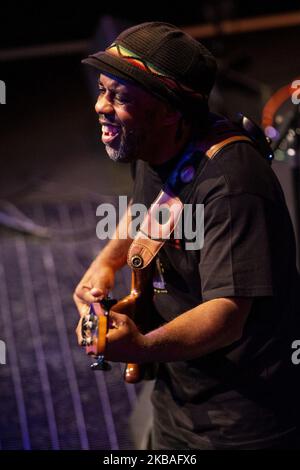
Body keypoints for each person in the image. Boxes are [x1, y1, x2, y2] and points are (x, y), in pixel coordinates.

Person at [74, 22, 300, 450]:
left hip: (241, 421)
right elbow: (148, 210)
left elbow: (226, 315)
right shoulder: (153, 143)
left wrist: (140, 347)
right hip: (180, 389)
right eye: (102, 90)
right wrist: (106, 262)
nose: (100, 106)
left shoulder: (233, 186)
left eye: (119, 97)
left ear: (170, 108)